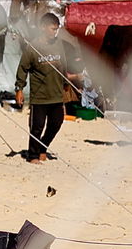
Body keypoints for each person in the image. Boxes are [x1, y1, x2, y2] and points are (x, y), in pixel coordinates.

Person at [14, 13, 81, 163]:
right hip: (40, 95)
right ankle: (32, 155)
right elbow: (23, 68)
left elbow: (62, 64)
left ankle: (43, 147)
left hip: (56, 93)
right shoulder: (33, 48)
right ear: (43, 27)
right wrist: (19, 89)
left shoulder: (58, 44)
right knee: (36, 127)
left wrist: (65, 83)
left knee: (56, 123)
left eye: (56, 29)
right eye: (52, 29)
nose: (54, 32)